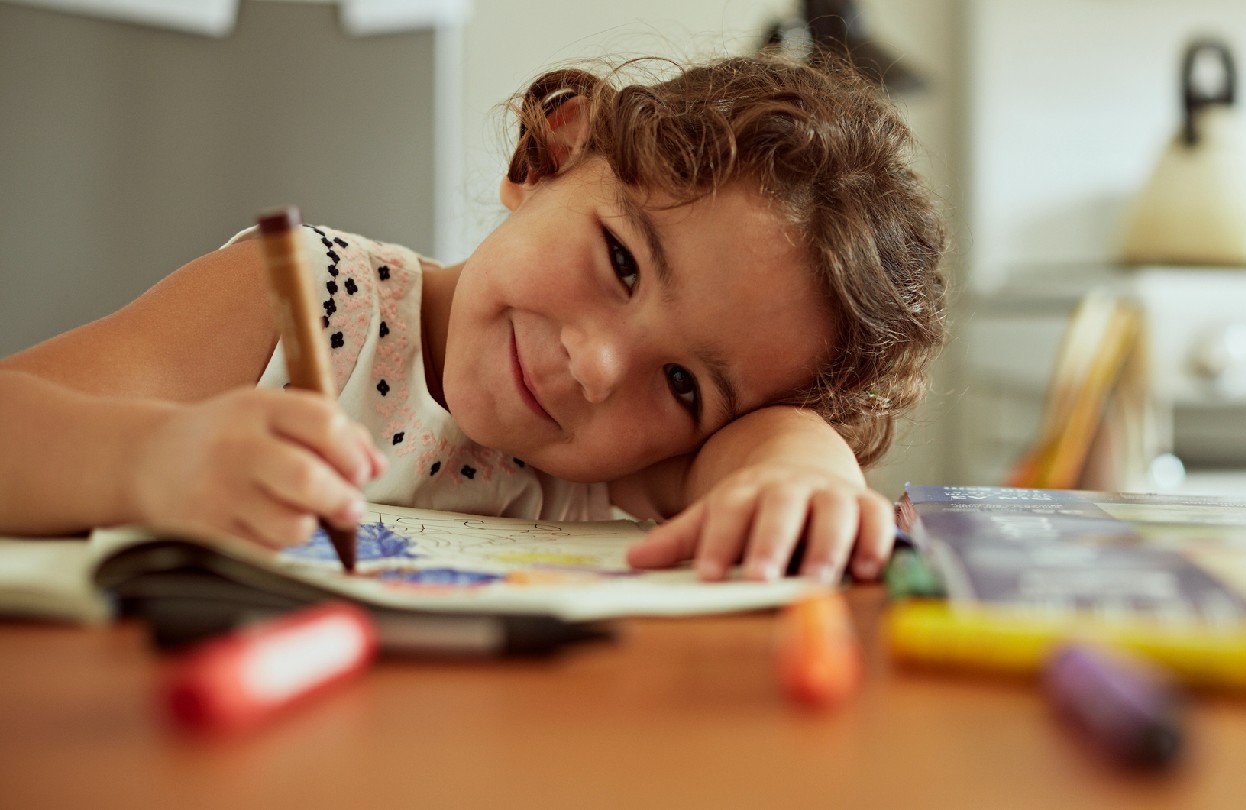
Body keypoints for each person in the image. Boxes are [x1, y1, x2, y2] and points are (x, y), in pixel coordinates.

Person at [0, 54, 948, 585]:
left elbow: (767, 456)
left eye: (686, 384)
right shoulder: (311, 298)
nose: (598, 364)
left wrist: (800, 466)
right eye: (621, 261)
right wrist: (149, 461)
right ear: (551, 151)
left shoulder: (633, 459)